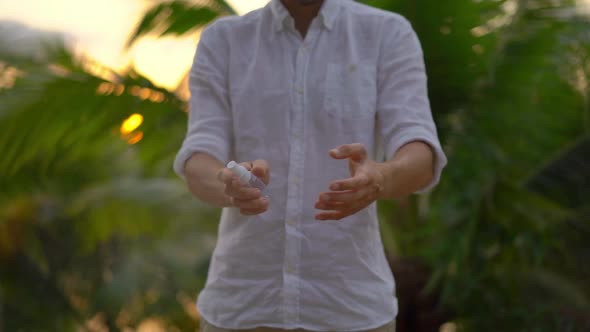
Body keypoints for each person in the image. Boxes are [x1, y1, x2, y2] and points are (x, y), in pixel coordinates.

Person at [173, 0, 447, 331]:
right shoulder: (224, 39)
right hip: (241, 308)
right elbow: (199, 155)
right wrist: (229, 184)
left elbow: (420, 152)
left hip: (352, 311)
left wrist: (381, 176)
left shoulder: (387, 33)